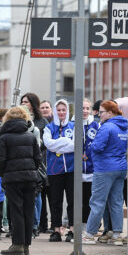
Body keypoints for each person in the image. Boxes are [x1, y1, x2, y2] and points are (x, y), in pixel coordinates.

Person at [0, 106, 41, 255]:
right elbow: (38, 159)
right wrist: (31, 170)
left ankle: (17, 244)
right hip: (30, 178)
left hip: (13, 179)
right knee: (28, 210)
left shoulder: (5, 137)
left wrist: (4, 174)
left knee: (16, 210)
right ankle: (26, 245)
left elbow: (0, 160)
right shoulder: (30, 136)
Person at [82, 101, 128, 246]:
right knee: (116, 202)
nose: (99, 114)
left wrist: (91, 151)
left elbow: (97, 147)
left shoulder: (107, 127)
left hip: (104, 168)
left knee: (97, 201)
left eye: (101, 112)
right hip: (121, 167)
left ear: (110, 113)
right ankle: (116, 235)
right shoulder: (124, 127)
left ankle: (89, 234)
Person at [43, 98, 75, 242]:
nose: (61, 112)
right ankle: (56, 230)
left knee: (72, 201)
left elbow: (75, 145)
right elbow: (49, 144)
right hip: (54, 170)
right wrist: (65, 142)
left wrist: (59, 146)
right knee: (56, 201)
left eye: (64, 110)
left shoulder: (74, 126)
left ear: (67, 111)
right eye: (59, 110)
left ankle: (72, 230)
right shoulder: (49, 128)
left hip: (71, 168)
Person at [20, 92, 49, 234]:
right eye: (22, 102)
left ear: (33, 103)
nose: (24, 104)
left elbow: (44, 143)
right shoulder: (19, 121)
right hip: (21, 161)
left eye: (26, 101)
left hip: (37, 160)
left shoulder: (42, 122)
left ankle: (38, 224)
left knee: (37, 194)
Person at [80, 98, 100, 224]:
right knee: (80, 200)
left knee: (91, 200)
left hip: (92, 169)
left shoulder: (96, 125)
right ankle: (80, 225)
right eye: (82, 108)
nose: (85, 111)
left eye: (87, 108)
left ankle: (92, 225)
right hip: (77, 170)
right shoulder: (73, 124)